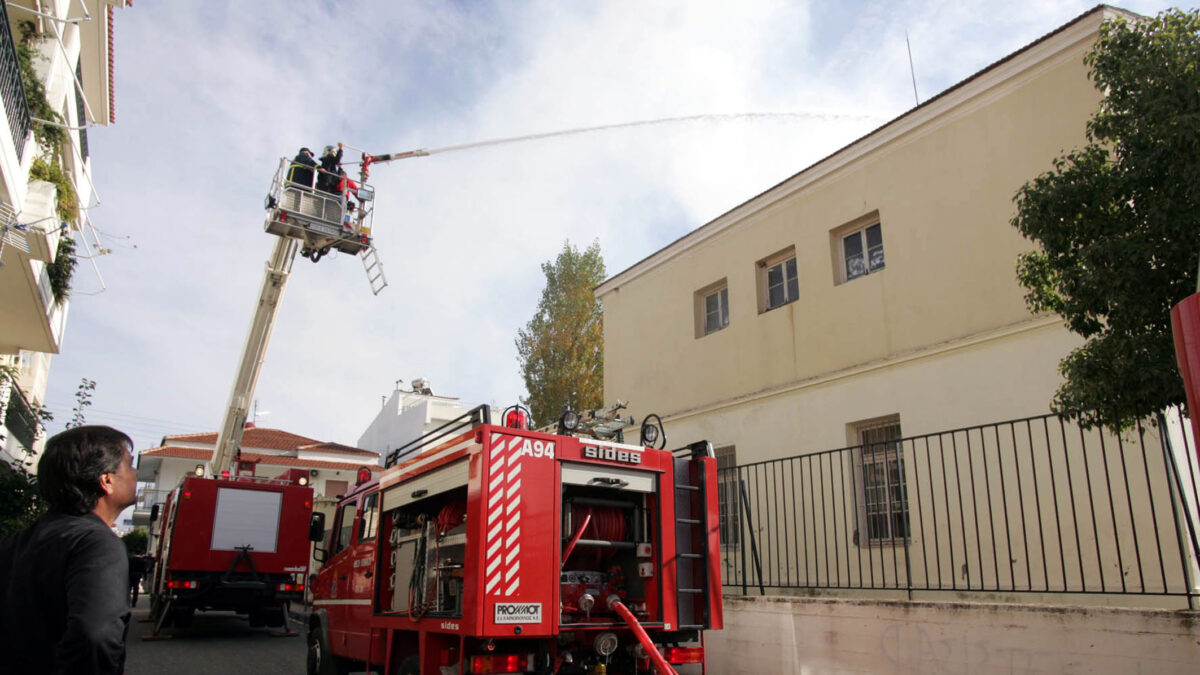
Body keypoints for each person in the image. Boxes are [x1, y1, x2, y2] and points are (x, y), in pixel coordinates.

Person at [0, 426, 138, 675]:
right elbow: (95, 636)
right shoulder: (97, 544)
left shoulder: (16, 542)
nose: (135, 473)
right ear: (106, 480)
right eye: (129, 465)